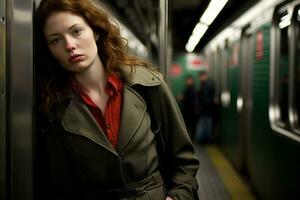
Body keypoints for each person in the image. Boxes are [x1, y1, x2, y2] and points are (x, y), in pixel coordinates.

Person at [35, 0, 199, 200]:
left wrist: (177, 197)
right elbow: (58, 185)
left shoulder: (147, 85)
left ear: (95, 32)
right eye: (55, 40)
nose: (70, 45)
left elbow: (185, 161)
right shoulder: (55, 108)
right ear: (50, 50)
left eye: (76, 31)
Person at [195, 71, 215, 143]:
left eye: (201, 76)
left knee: (206, 124)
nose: (200, 78)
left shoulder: (207, 85)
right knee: (205, 124)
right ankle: (205, 139)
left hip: (206, 108)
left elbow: (205, 98)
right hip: (206, 109)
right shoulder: (205, 84)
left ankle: (206, 139)